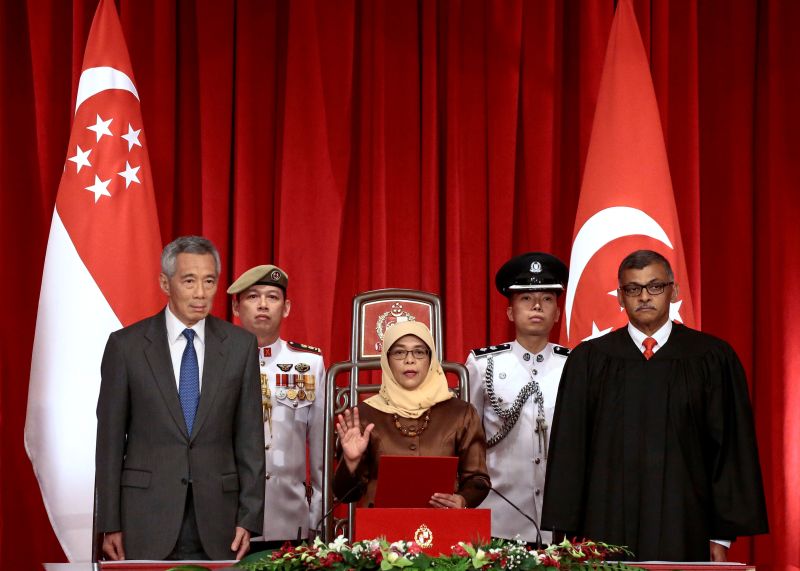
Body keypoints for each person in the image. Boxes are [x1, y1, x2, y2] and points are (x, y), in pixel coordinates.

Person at [541, 249, 768, 561]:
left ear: (673, 291)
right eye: (633, 289)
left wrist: (721, 535)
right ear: (620, 297)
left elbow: (727, 448)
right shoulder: (589, 359)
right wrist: (566, 533)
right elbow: (570, 449)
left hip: (686, 524)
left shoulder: (711, 358)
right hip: (605, 523)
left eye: (655, 286)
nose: (644, 297)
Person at [95, 236, 265, 561]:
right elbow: (110, 444)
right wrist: (109, 523)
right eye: (189, 281)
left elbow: (250, 439)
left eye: (209, 281)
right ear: (165, 282)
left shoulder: (240, 346)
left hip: (219, 520)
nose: (201, 293)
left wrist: (250, 517)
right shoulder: (126, 347)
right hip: (144, 518)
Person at [466, 252, 570, 544]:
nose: (537, 305)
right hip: (497, 517)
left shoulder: (573, 365)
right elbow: (465, 436)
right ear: (510, 312)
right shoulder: (483, 364)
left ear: (558, 313)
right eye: (525, 298)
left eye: (547, 299)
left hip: (558, 521)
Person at [334, 320, 491, 509]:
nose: (410, 360)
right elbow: (344, 495)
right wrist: (351, 462)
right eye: (400, 352)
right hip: (379, 534)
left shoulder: (461, 413)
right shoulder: (365, 416)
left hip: (443, 530)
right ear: (387, 359)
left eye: (419, 352)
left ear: (431, 359)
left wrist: (463, 499)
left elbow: (478, 479)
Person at [227, 265, 326, 547]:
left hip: (288, 517)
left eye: (272, 297)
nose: (262, 305)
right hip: (227, 518)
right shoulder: (214, 364)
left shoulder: (309, 364)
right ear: (236, 307)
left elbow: (319, 452)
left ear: (286, 308)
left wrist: (316, 519)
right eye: (252, 297)